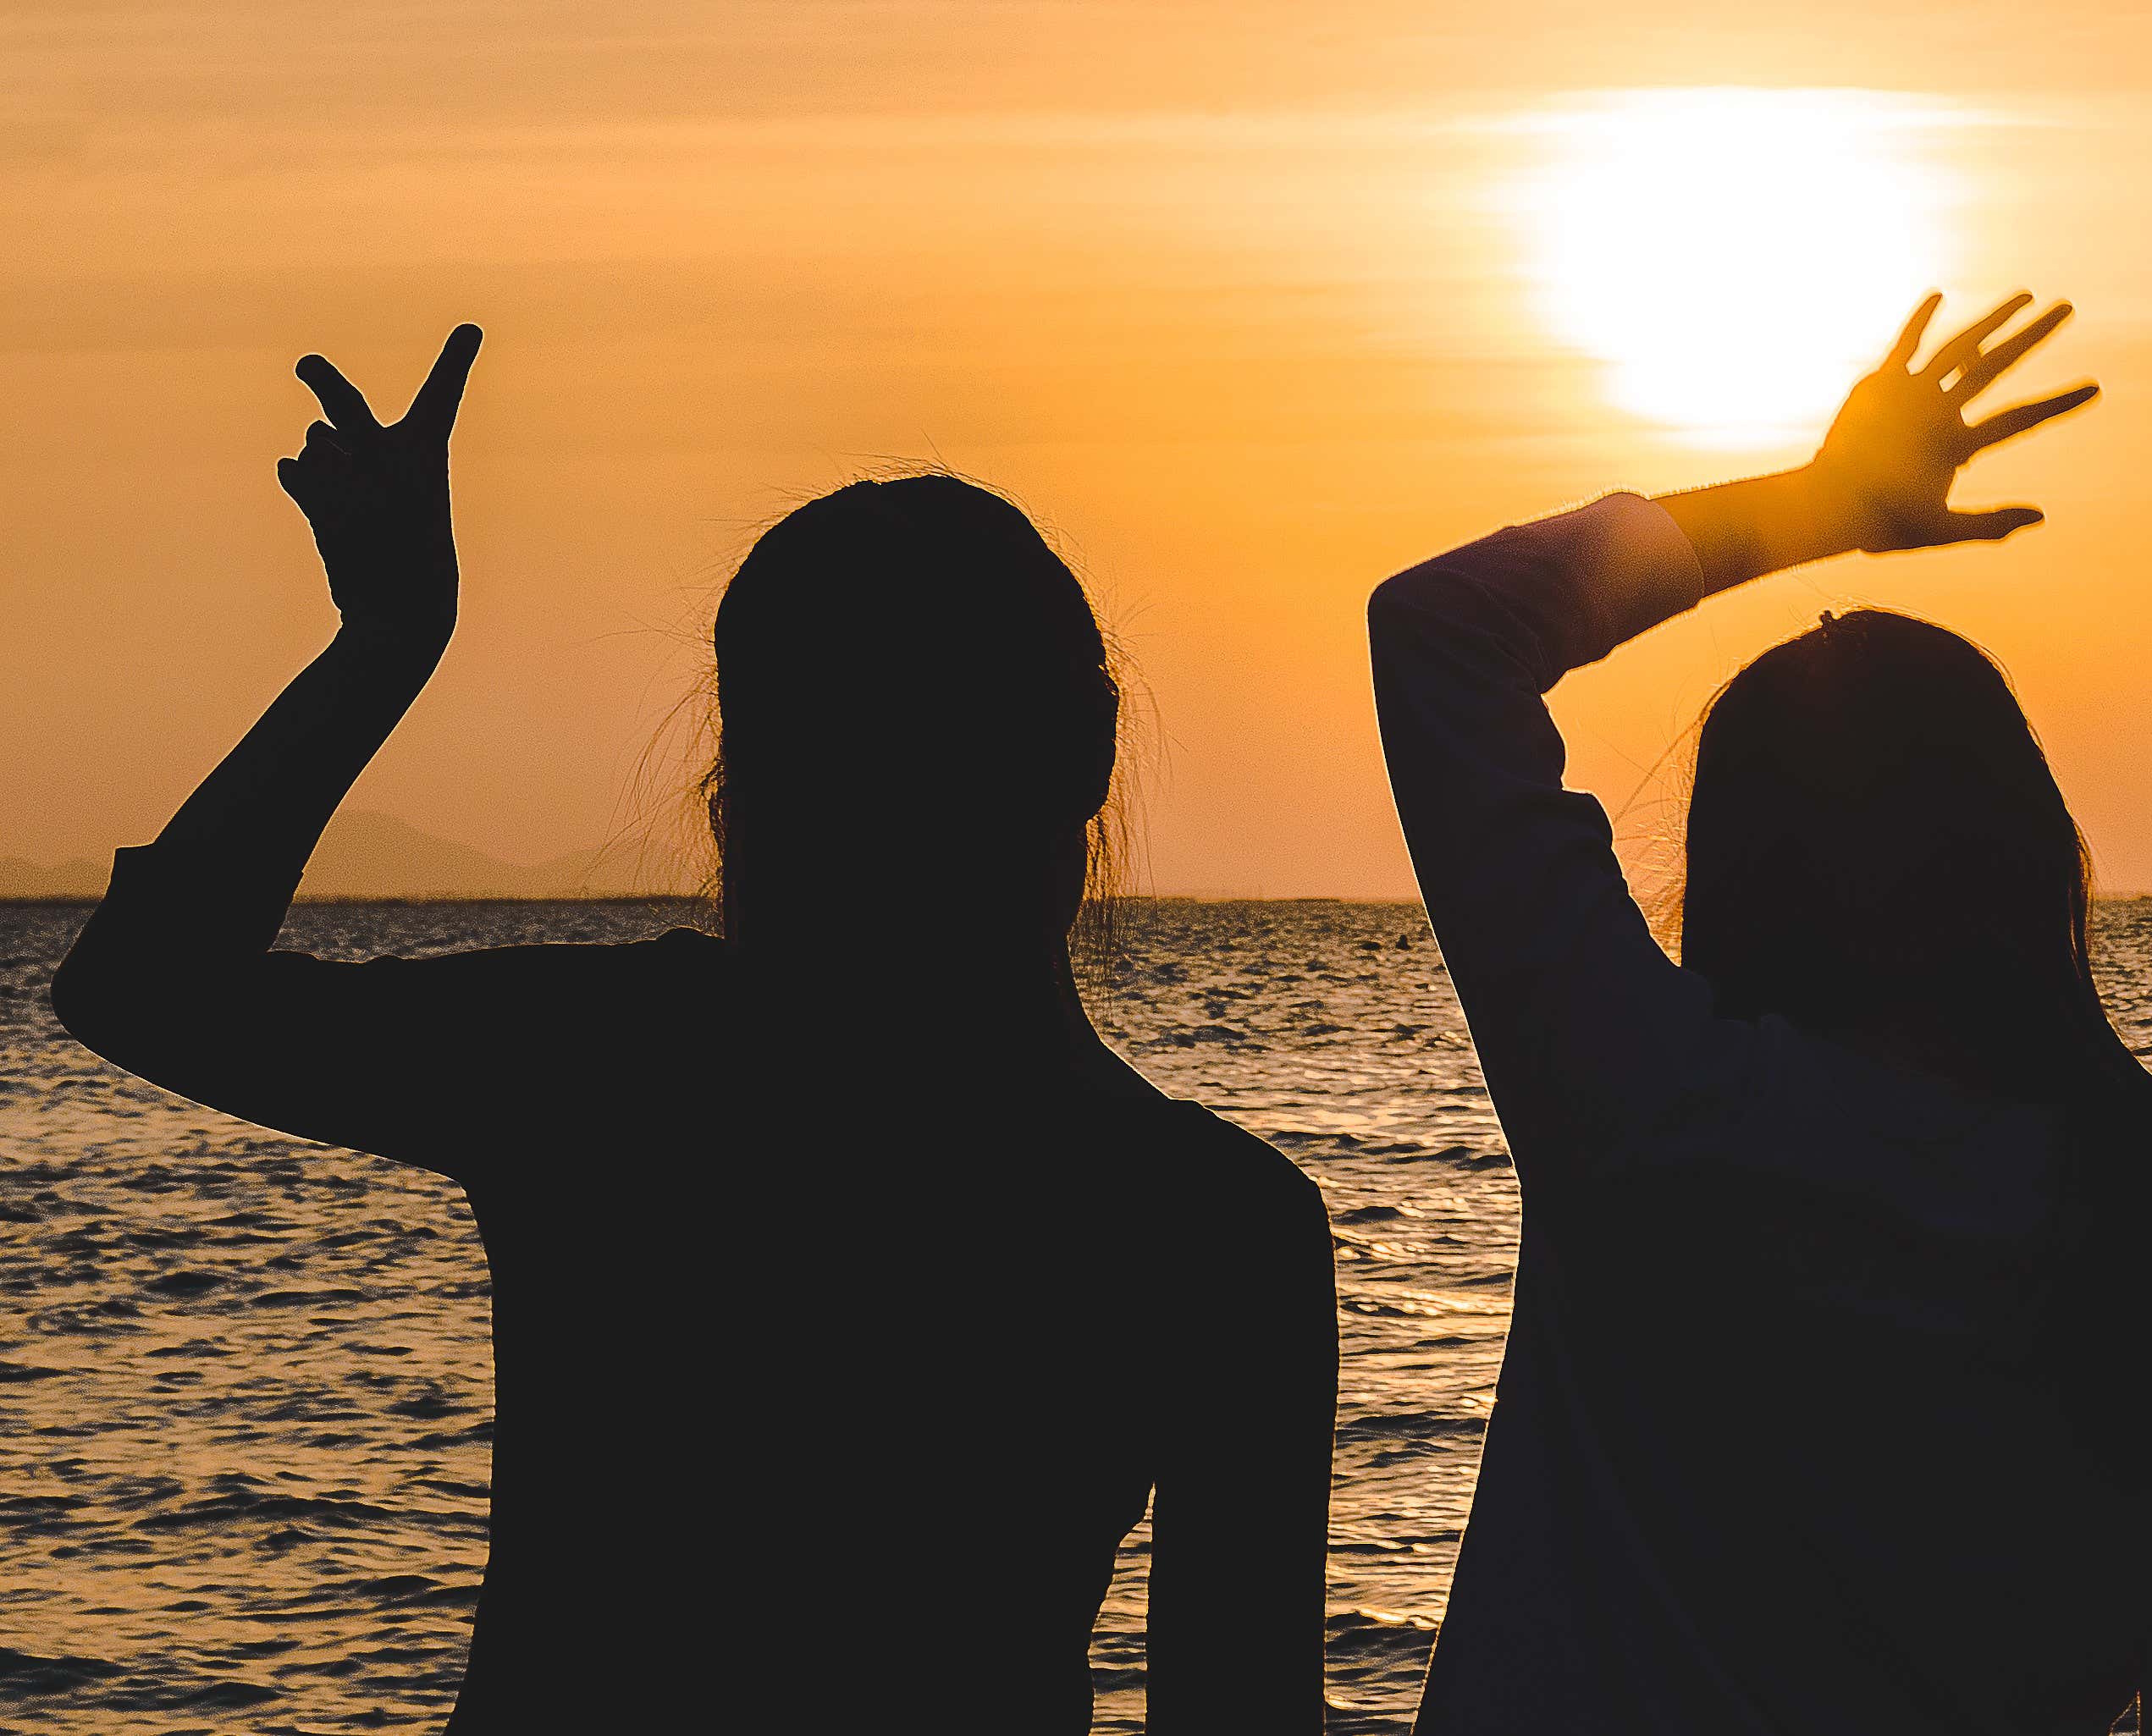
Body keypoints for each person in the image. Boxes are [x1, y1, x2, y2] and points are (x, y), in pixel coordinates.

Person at [48, 326, 1338, 1732]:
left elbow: (141, 986)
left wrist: (386, 647)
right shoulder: (1219, 1229)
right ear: (1083, 754)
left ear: (746, 792)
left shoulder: (611, 1068)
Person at [1371, 295, 2152, 1734]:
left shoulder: (1649, 1108)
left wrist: (1815, 508)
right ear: (2028, 857)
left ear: (1738, 868)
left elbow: (1439, 632)